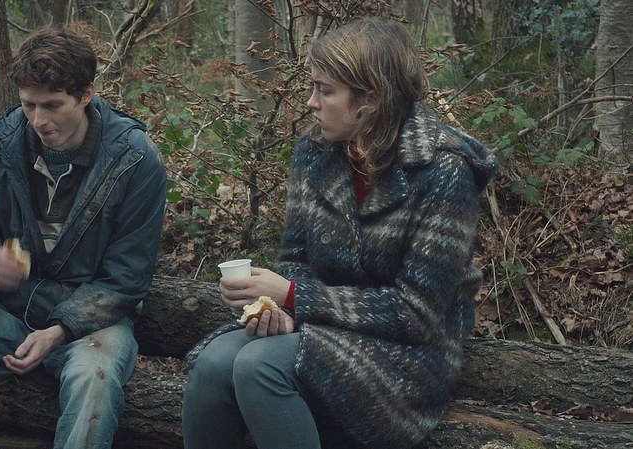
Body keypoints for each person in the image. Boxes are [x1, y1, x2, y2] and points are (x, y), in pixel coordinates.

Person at [182, 16, 497, 449]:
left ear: (370, 99)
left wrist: (295, 297)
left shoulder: (443, 170)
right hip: (322, 329)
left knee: (259, 366)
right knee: (214, 363)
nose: (311, 103)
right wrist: (280, 309)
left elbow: (416, 314)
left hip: (407, 355)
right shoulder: (316, 151)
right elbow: (296, 259)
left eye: (325, 91)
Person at [0, 27, 166, 449]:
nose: (39, 120)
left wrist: (60, 329)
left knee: (93, 380)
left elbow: (127, 278)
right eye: (28, 105)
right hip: (10, 308)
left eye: (53, 105)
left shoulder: (134, 158)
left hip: (94, 320)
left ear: (86, 94)